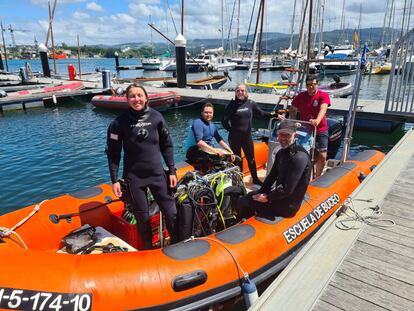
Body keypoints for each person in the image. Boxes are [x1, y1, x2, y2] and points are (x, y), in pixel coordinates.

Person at [106, 83, 177, 249]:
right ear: (127, 99)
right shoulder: (118, 123)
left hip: (157, 174)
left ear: (146, 98)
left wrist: (172, 170)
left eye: (139, 95)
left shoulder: (157, 117)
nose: (136, 99)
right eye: (132, 96)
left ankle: (176, 245)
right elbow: (113, 154)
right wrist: (114, 179)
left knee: (171, 213)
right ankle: (147, 249)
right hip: (134, 178)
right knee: (142, 218)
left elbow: (167, 146)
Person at [238, 120, 312, 219]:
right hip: (279, 197)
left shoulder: (299, 157)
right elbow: (272, 176)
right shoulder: (281, 153)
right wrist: (262, 191)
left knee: (243, 201)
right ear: (277, 135)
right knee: (250, 195)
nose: (284, 138)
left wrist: (267, 197)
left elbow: (287, 189)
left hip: (288, 206)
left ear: (295, 136)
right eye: (281, 135)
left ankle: (245, 224)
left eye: (288, 135)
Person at [222, 83, 272, 186]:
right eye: (238, 91)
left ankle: (255, 179)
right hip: (234, 138)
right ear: (235, 92)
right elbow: (224, 121)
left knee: (251, 159)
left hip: (247, 137)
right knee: (237, 160)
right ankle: (238, 182)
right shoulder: (231, 105)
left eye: (242, 90)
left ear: (246, 92)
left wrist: (275, 114)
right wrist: (231, 130)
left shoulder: (251, 103)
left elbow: (262, 114)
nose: (240, 92)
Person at [289, 74, 331, 177]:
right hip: (305, 129)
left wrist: (317, 120)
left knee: (322, 155)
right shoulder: (301, 96)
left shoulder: (323, 95)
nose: (310, 87)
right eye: (308, 85)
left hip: (320, 129)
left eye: (313, 85)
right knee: (302, 152)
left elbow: (323, 108)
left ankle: (317, 176)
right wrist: (294, 121)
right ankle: (302, 174)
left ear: (317, 84)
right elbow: (292, 109)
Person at [186, 102, 234, 169]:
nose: (208, 114)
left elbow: (220, 140)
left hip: (206, 151)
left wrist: (230, 152)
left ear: (213, 113)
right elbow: (199, 142)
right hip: (193, 151)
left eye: (210, 112)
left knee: (228, 157)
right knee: (212, 160)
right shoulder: (198, 123)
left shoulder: (212, 126)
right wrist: (215, 151)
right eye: (206, 112)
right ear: (202, 113)